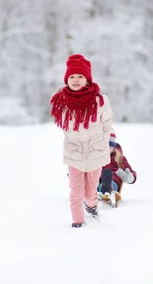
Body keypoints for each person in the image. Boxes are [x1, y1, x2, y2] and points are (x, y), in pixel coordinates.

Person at [50, 54, 114, 228]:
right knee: (76, 192)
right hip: (74, 152)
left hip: (96, 151)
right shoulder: (61, 101)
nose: (76, 80)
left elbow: (107, 124)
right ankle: (78, 224)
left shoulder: (100, 101)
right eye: (72, 77)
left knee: (89, 192)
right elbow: (63, 125)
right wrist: (72, 141)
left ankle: (92, 207)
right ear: (66, 80)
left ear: (87, 79)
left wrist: (102, 141)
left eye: (80, 76)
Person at [97, 132, 137, 207]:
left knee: (107, 173)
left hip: (113, 182)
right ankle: (97, 189)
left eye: (108, 146)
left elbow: (131, 172)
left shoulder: (119, 158)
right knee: (94, 177)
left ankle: (107, 189)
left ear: (113, 147)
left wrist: (130, 177)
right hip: (97, 181)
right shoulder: (95, 157)